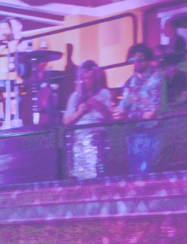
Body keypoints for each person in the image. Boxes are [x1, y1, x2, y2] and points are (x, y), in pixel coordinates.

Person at [116, 43, 163, 174]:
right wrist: (121, 112)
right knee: (134, 170)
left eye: (140, 58)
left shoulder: (156, 77)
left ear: (147, 59)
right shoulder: (130, 81)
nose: (136, 62)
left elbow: (152, 111)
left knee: (149, 170)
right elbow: (122, 107)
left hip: (151, 130)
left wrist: (130, 114)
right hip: (133, 132)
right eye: (133, 59)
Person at [63, 59, 113, 180]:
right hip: (79, 140)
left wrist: (98, 104)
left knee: (98, 174)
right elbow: (66, 121)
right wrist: (79, 112)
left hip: (97, 138)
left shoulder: (104, 93)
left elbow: (109, 117)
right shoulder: (75, 96)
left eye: (89, 77)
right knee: (80, 175)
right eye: (83, 78)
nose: (86, 81)